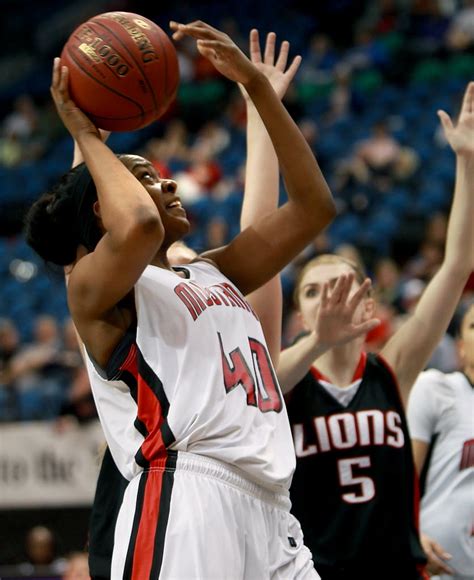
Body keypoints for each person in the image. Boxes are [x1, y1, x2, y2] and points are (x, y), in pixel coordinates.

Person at [25, 19, 336, 579]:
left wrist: (258, 93)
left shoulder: (213, 270)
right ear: (104, 208)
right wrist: (88, 136)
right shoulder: (93, 291)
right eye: (145, 177)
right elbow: (139, 225)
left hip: (273, 508)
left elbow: (315, 208)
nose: (167, 185)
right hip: (187, 491)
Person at [272, 81, 474, 580]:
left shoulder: (392, 368)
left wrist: (467, 164)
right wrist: (319, 341)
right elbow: (268, 378)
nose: (332, 299)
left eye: (342, 287)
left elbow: (456, 265)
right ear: (299, 318)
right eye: (316, 292)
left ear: (367, 302)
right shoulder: (283, 381)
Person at [408, 300, 474, 580]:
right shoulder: (437, 388)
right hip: (439, 570)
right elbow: (401, 478)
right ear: (460, 347)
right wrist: (411, 535)